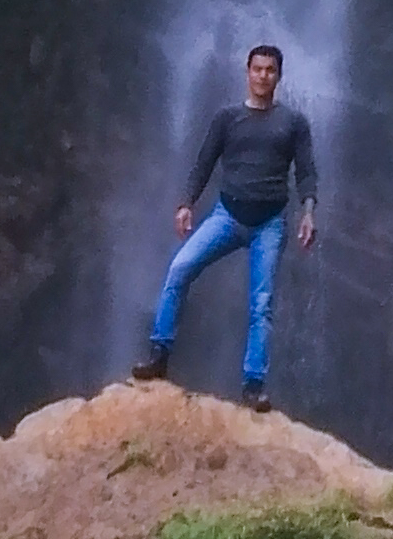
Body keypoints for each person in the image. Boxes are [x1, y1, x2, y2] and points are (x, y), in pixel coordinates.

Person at [135, 41, 317, 409]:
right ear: (247, 72)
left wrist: (308, 211)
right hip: (227, 215)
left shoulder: (294, 123)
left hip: (270, 222)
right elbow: (203, 162)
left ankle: (253, 385)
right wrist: (187, 202)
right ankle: (159, 353)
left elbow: (307, 173)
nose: (263, 75)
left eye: (270, 70)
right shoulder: (227, 118)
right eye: (257, 69)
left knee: (261, 304)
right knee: (180, 268)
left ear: (278, 76)